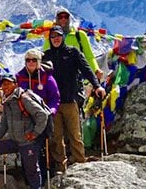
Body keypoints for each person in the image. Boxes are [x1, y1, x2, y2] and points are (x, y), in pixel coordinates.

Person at [43, 25, 106, 172]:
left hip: (70, 100)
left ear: (63, 37)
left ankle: (80, 164)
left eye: (58, 36)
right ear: (49, 39)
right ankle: (61, 167)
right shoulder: (46, 56)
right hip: (53, 103)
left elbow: (86, 69)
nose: (56, 39)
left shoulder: (73, 52)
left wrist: (97, 86)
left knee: (75, 135)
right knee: (56, 137)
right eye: (53, 37)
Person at [0, 75, 50, 189]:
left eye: (8, 83)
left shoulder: (23, 98)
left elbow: (42, 115)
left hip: (28, 142)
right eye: (4, 84)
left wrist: (35, 133)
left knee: (32, 171)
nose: (5, 87)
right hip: (15, 141)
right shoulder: (7, 101)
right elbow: (4, 125)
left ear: (15, 84)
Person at [15, 48, 60, 184]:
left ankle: (44, 179)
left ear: (39, 62)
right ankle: (28, 180)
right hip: (24, 118)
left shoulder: (47, 78)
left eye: (34, 60)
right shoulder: (19, 77)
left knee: (41, 148)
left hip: (42, 118)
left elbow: (55, 98)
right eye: (28, 60)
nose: (31, 63)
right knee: (25, 148)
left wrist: (51, 111)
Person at [43, 10, 102, 81]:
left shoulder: (79, 35)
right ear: (56, 19)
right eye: (60, 17)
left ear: (69, 19)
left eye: (66, 17)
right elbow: (45, 59)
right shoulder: (50, 37)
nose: (63, 19)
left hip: (77, 77)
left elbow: (89, 56)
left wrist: (96, 69)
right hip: (57, 78)